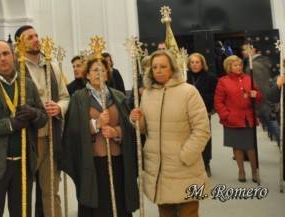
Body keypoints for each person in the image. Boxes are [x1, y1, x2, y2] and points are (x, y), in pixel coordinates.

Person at [0, 40, 48, 217]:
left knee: (22, 213)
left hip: (23, 164)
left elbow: (43, 118)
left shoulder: (27, 84)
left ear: (13, 55)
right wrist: (10, 124)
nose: (3, 58)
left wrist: (34, 114)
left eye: (6, 53)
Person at [130, 50, 209, 217]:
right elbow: (145, 130)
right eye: (155, 67)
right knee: (165, 213)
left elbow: (202, 129)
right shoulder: (147, 93)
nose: (158, 71)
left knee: (188, 212)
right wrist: (136, 119)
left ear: (172, 68)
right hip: (158, 168)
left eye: (163, 66)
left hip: (184, 167)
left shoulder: (188, 92)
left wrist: (186, 155)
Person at [61, 56, 139, 217]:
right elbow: (73, 131)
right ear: (87, 75)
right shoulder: (79, 98)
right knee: (99, 206)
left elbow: (129, 127)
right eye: (95, 70)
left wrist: (116, 132)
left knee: (118, 203)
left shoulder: (118, 97)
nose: (99, 73)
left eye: (103, 70)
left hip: (117, 161)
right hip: (93, 162)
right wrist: (96, 124)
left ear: (108, 75)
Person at [14, 25, 69, 217]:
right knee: (23, 192)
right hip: (27, 138)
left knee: (51, 191)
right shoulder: (15, 69)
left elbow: (65, 96)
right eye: (29, 37)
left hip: (51, 137)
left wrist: (59, 107)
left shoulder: (52, 66)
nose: (36, 39)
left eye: (36, 35)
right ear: (19, 43)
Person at [214, 55, 263, 183]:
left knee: (251, 146)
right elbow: (218, 102)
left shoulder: (248, 78)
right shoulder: (223, 81)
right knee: (237, 146)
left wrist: (256, 94)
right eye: (235, 65)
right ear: (229, 67)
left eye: (240, 65)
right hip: (232, 119)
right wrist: (226, 115)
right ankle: (241, 171)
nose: (239, 67)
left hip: (248, 118)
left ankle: (254, 171)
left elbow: (259, 96)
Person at [186, 53, 218, 176]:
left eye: (197, 62)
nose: (194, 65)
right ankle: (191, 164)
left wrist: (198, 98)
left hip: (203, 112)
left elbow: (214, 95)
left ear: (202, 63)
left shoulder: (210, 77)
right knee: (189, 138)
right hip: (187, 113)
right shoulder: (184, 76)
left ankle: (206, 163)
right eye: (192, 62)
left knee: (204, 138)